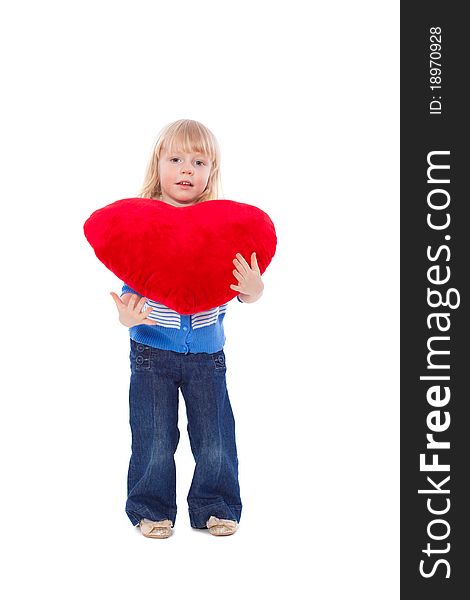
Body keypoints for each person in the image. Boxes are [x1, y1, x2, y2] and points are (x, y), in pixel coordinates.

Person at [109, 119, 264, 538]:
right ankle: (150, 506)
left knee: (215, 435)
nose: (186, 169)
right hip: (151, 351)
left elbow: (239, 287)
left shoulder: (224, 226)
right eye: (176, 159)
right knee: (154, 435)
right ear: (157, 164)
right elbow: (131, 280)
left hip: (207, 353)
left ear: (211, 170)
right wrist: (127, 316)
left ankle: (216, 504)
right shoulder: (141, 221)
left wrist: (254, 289)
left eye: (198, 161)